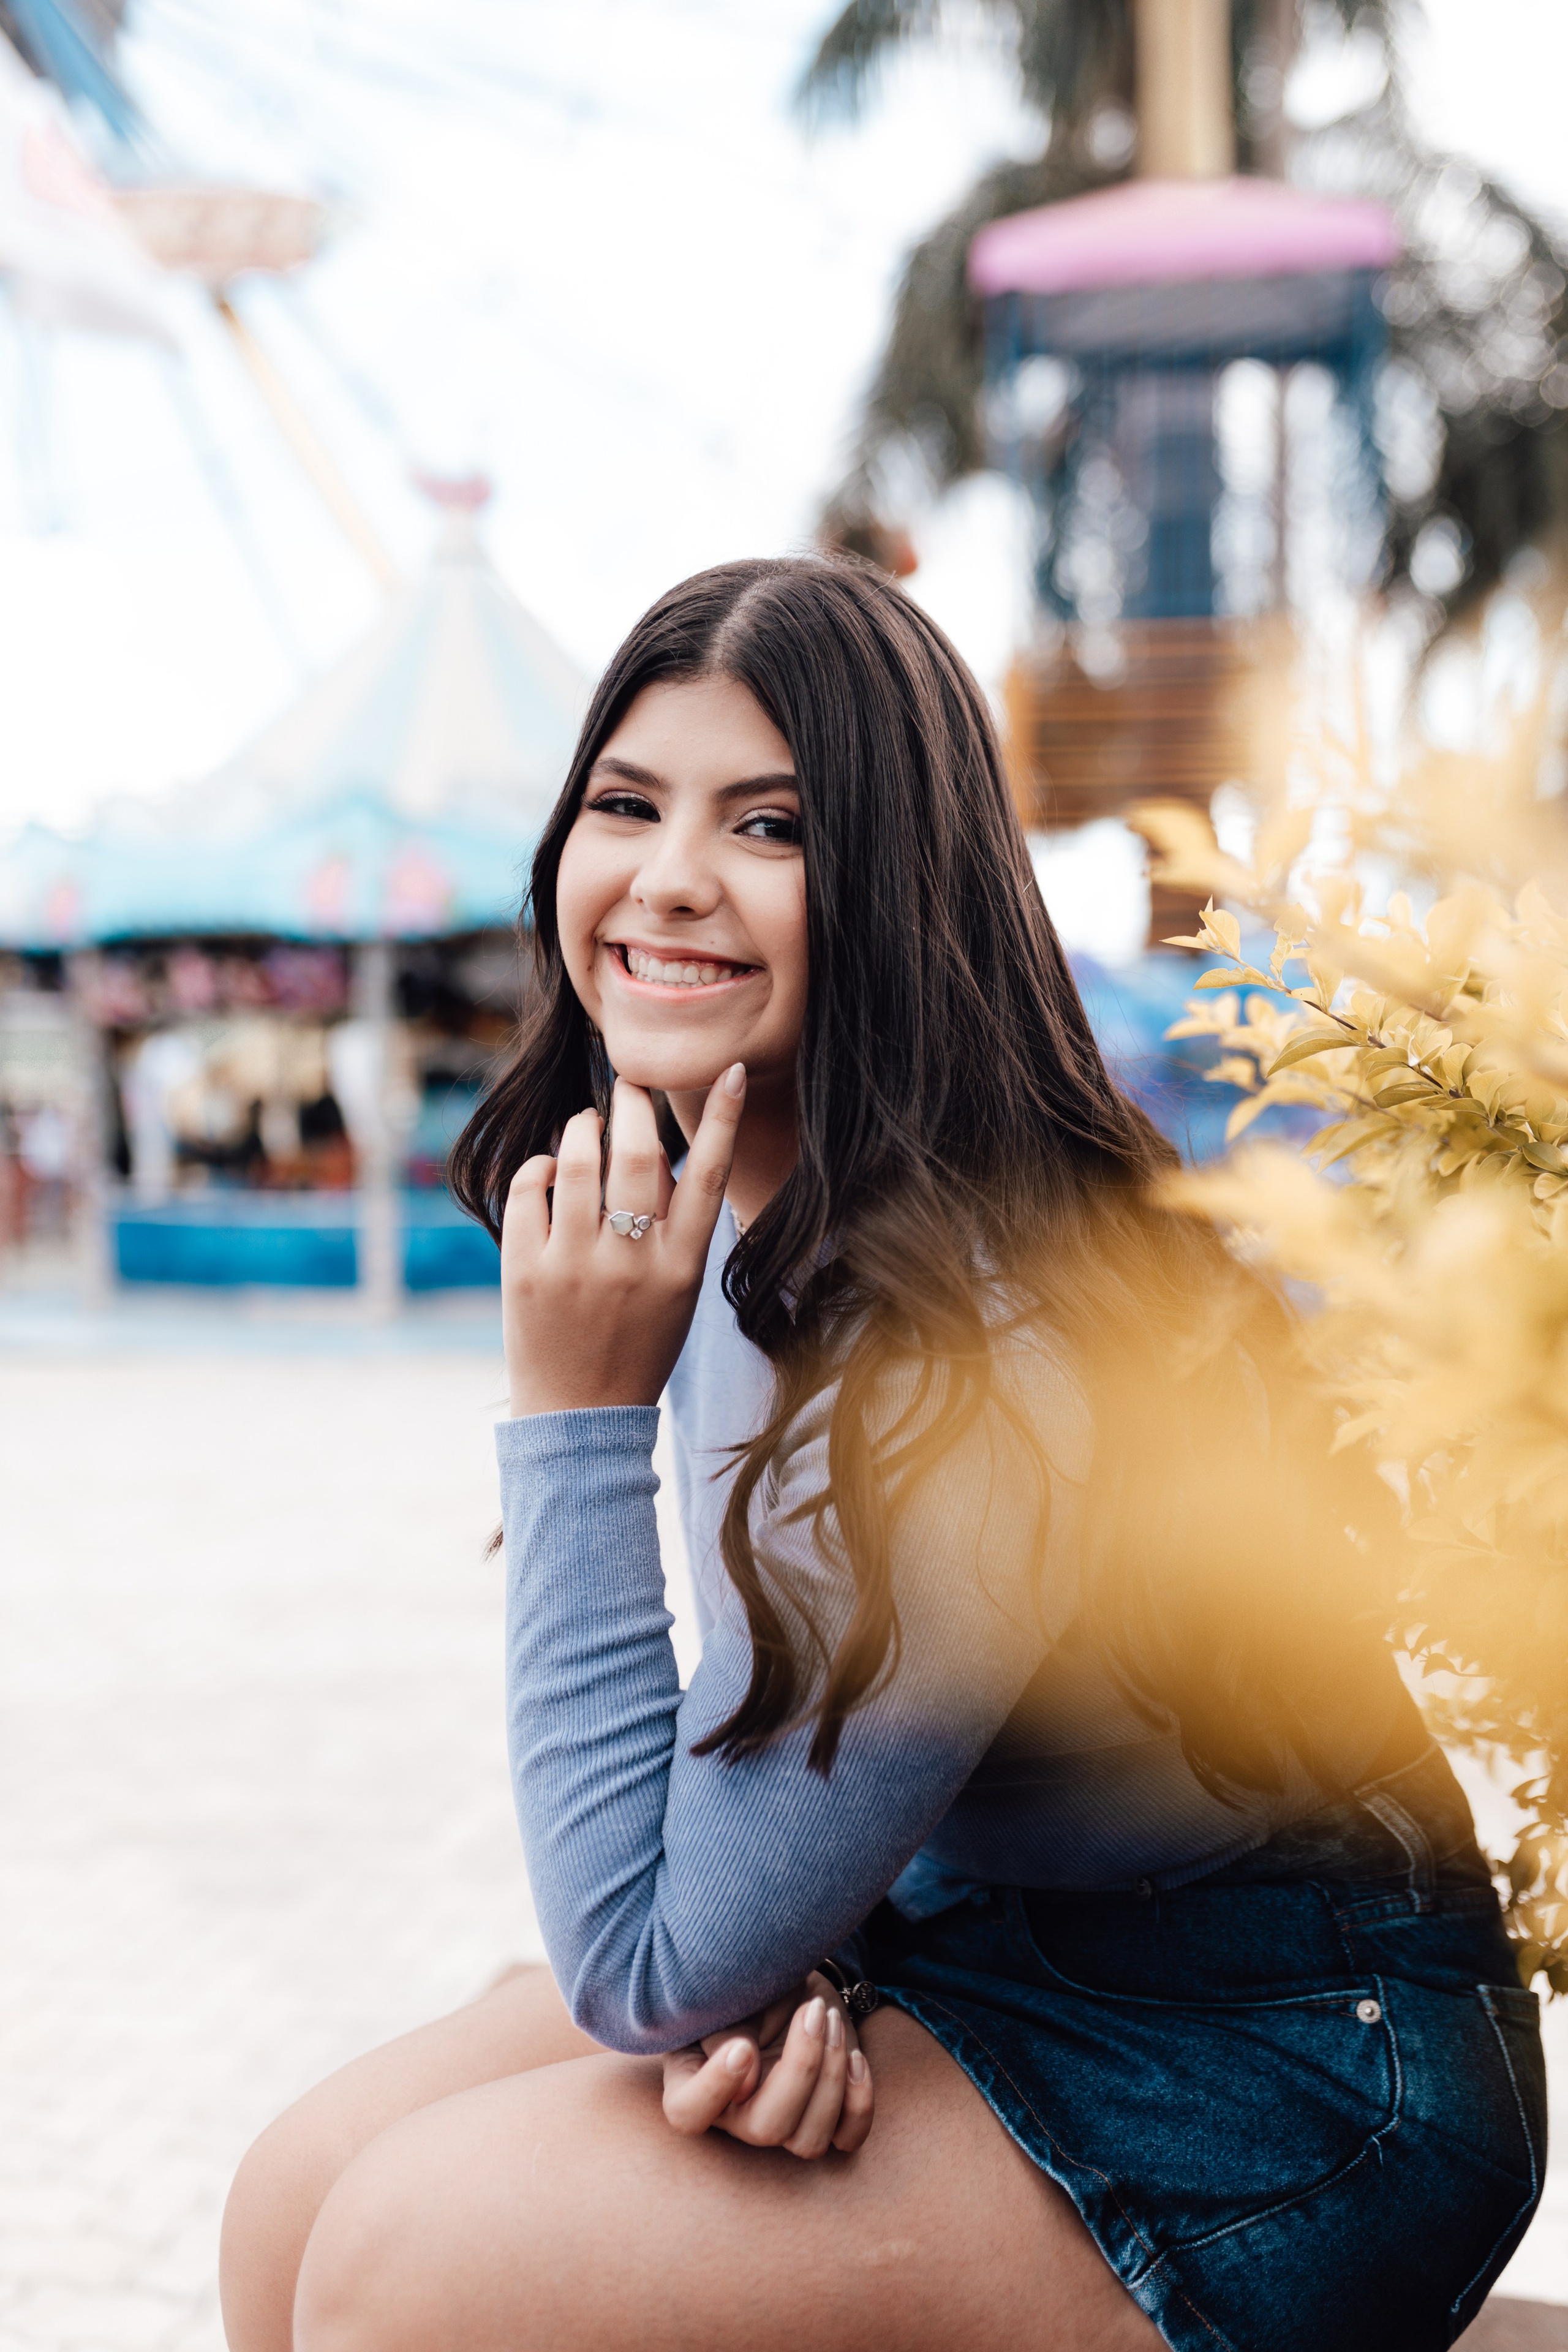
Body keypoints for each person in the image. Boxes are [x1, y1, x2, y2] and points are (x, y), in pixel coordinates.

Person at [220, 557, 1545, 2352]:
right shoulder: (727, 1208)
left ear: (895, 888)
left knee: (414, 2260)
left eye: (769, 825)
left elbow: (637, 1960)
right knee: (299, 2189)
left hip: (1287, 2061)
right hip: (981, 1928)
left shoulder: (979, 1350)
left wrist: (573, 1413)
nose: (670, 873)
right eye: (629, 803)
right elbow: (743, 1824)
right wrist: (798, 1968)